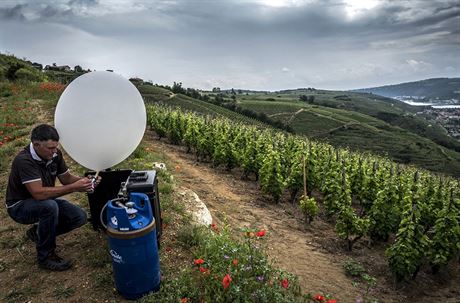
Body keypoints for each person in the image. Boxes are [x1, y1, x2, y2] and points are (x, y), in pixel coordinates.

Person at [5, 124, 101, 271]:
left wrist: (86, 181)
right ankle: (45, 257)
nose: (54, 151)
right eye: (50, 148)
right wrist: (75, 187)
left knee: (79, 217)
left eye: (55, 147)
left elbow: (66, 178)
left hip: (42, 200)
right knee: (50, 207)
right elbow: (38, 193)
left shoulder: (55, 155)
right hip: (19, 206)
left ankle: (39, 233)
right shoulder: (24, 160)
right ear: (36, 145)